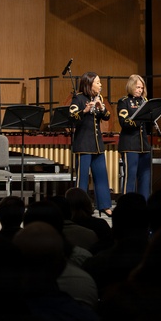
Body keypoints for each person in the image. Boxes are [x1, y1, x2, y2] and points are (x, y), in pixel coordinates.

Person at [70, 71, 113, 217]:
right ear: (89, 84)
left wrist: (101, 107)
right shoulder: (78, 98)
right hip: (83, 145)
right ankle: (79, 208)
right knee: (82, 179)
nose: (101, 85)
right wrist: (86, 110)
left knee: (101, 176)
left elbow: (107, 116)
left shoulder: (99, 98)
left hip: (97, 145)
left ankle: (104, 205)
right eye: (98, 82)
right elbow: (72, 117)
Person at [116, 74, 153, 199]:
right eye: (137, 87)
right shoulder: (124, 102)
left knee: (145, 176)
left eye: (142, 88)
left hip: (144, 144)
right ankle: (127, 206)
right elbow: (124, 122)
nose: (140, 90)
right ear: (131, 86)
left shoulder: (145, 101)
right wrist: (140, 119)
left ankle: (145, 205)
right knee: (130, 177)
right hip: (130, 145)